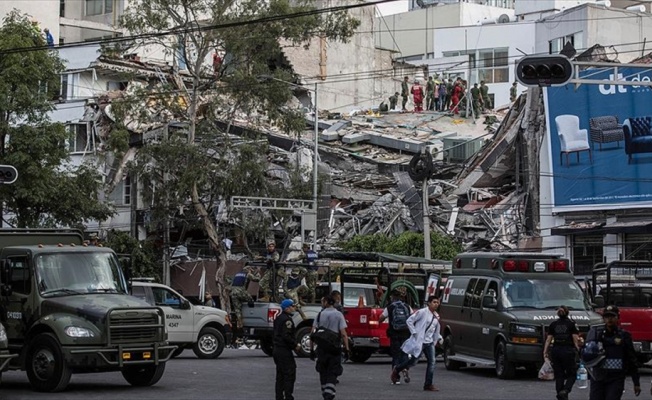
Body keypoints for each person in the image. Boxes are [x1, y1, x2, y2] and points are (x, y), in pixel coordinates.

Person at [583, 305, 640, 400]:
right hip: (598, 377)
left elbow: (632, 359)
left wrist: (636, 382)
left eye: (612, 316)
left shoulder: (624, 335)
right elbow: (587, 353)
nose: (609, 319)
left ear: (618, 318)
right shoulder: (596, 334)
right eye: (607, 317)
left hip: (616, 378)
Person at [392, 296, 442, 392]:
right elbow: (409, 320)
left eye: (437, 302)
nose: (436, 304)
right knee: (413, 361)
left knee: (432, 362)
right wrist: (414, 333)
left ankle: (428, 384)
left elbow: (434, 329)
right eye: (434, 302)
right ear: (429, 303)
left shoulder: (436, 316)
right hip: (420, 341)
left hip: (429, 342)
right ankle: (397, 369)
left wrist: (439, 337)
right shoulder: (422, 312)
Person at [311, 295, 349, 400]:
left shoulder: (319, 315)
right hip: (334, 348)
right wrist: (347, 349)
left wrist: (311, 350)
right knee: (332, 371)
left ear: (327, 302)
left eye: (323, 301)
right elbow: (344, 334)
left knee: (323, 371)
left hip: (322, 349)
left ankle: (325, 392)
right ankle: (329, 393)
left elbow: (312, 333)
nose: (322, 303)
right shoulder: (338, 315)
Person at [543, 305, 583, 400]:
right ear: (567, 312)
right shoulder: (571, 324)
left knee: (559, 375)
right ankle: (565, 390)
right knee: (572, 374)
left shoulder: (553, 324)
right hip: (567, 351)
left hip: (556, 351)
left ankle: (561, 396)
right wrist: (580, 351)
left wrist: (545, 352)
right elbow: (575, 339)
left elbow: (548, 340)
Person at [378, 289, 412, 382]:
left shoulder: (390, 307)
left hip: (394, 334)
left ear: (392, 297)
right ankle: (405, 368)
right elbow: (412, 318)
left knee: (396, 355)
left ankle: (396, 377)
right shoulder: (407, 306)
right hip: (406, 333)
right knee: (405, 353)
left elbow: (381, 318)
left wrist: (379, 322)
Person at [273, 299, 301, 400]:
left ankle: (279, 396)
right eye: (292, 306)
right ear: (287, 308)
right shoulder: (287, 320)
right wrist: (295, 345)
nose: (294, 308)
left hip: (277, 349)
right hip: (284, 350)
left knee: (280, 375)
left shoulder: (279, 318)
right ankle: (288, 396)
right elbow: (286, 336)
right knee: (289, 373)